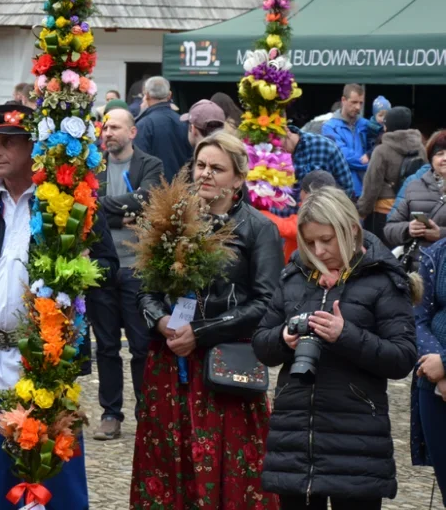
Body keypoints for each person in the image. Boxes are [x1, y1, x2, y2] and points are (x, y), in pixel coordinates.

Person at [0, 105, 118, 510]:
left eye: (8, 142)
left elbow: (109, 269)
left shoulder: (70, 204)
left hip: (48, 366)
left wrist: (77, 264)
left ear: (34, 147)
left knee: (60, 481)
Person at [131, 131, 282, 510]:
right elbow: (145, 289)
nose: (205, 174)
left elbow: (266, 303)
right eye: (200, 165)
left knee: (229, 466)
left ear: (239, 178)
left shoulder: (258, 228)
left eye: (217, 168)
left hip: (225, 366)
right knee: (167, 463)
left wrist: (199, 333)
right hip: (170, 364)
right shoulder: (173, 219)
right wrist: (161, 321)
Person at [253, 186, 417, 510]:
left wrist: (346, 335)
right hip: (294, 443)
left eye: (326, 240)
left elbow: (402, 357)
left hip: (357, 444)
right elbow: (261, 343)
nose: (319, 250)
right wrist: (284, 339)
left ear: (351, 230)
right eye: (310, 242)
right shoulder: (295, 276)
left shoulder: (382, 279)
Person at [91, 107, 162, 440]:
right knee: (105, 345)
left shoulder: (150, 164)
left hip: (136, 266)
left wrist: (105, 207)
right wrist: (121, 215)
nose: (109, 133)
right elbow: (87, 204)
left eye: (116, 127)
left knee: (140, 345)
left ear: (132, 132)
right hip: (100, 265)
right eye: (105, 127)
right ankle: (110, 412)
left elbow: (147, 199)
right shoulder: (94, 165)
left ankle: (145, 412)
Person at [357, 106, 424, 242]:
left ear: (388, 126)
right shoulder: (421, 148)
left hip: (383, 214)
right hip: (410, 212)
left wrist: (361, 212)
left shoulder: (381, 151)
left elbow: (372, 186)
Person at [411, 235, 446, 498]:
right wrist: (438, 373)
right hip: (432, 384)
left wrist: (445, 364)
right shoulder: (436, 253)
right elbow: (418, 319)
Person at [384, 130, 446, 251]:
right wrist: (408, 229)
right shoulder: (414, 187)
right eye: (440, 153)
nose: (445, 158)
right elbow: (390, 229)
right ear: (431, 159)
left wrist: (441, 234)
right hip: (418, 266)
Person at [133, 76, 191, 181]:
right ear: (169, 95)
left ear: (147, 95)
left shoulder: (143, 124)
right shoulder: (184, 122)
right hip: (182, 188)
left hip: (154, 190)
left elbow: (139, 163)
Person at [281, 125, 357, 202]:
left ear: (286, 130)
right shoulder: (271, 157)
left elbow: (346, 189)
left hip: (324, 211)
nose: (273, 147)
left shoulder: (324, 146)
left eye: (275, 140)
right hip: (280, 212)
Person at [322, 83, 372, 196]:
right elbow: (342, 156)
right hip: (341, 190)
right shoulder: (329, 127)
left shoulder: (366, 125)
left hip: (366, 191)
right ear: (343, 100)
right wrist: (374, 163)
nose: (358, 107)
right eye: (354, 102)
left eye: (361, 103)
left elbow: (378, 148)